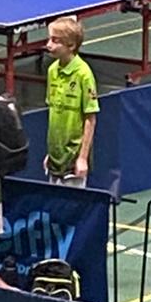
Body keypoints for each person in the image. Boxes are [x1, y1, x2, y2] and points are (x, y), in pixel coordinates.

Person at [44, 16, 98, 185]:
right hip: (55, 156)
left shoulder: (83, 74)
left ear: (71, 45)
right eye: (49, 39)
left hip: (74, 158)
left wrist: (82, 158)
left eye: (55, 41)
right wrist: (51, 153)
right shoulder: (52, 71)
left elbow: (90, 119)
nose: (49, 45)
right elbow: (54, 113)